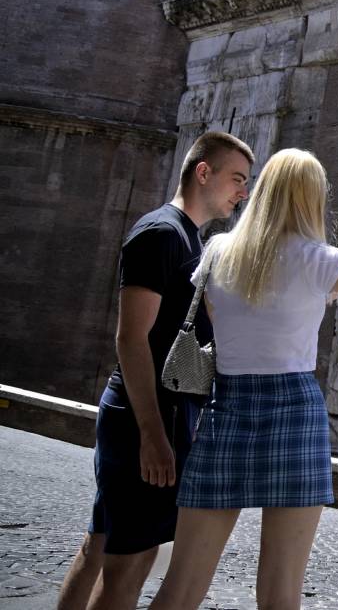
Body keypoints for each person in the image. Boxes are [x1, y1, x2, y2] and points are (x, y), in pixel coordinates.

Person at [148, 147, 338, 609]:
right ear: (313, 198)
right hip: (295, 411)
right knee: (281, 594)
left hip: (227, 405)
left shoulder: (217, 251)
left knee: (180, 588)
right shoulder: (322, 261)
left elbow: (217, 323)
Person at [57, 132, 254, 610]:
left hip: (151, 414)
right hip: (144, 417)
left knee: (100, 545)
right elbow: (131, 337)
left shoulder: (187, 237)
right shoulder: (161, 233)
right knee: (129, 564)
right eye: (236, 179)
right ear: (203, 172)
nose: (243, 192)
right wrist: (153, 435)